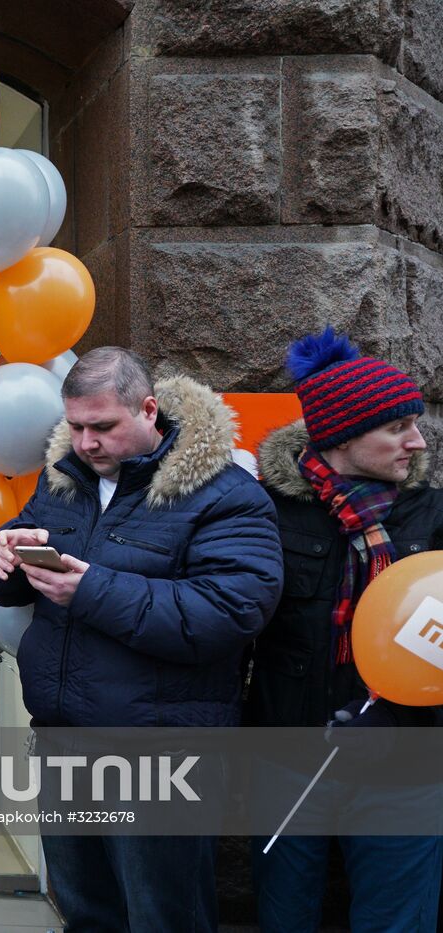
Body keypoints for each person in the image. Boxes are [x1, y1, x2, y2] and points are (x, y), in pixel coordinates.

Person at [0, 347, 283, 933]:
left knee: (163, 915)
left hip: (162, 756)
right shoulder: (63, 480)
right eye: (74, 427)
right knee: (85, 910)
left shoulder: (227, 494)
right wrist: (4, 559)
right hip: (66, 741)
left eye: (103, 427)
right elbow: (14, 585)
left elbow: (227, 612)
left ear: (149, 411)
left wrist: (88, 590)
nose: (87, 442)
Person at [246, 329, 442, 932]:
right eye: (397, 428)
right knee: (284, 918)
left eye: (415, 423)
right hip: (287, 760)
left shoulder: (432, 515)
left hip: (406, 766)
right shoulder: (266, 513)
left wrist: (392, 712)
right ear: (341, 437)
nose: (417, 440)